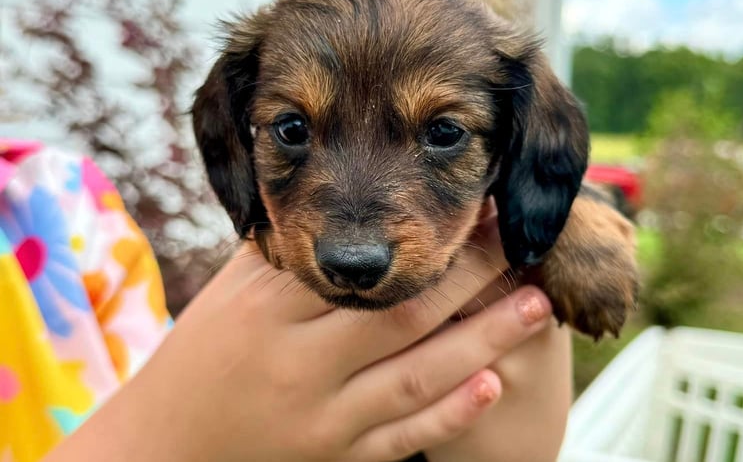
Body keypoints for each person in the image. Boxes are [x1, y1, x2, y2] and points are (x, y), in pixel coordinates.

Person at [1, 139, 572, 462]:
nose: (354, 243)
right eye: (293, 130)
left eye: (444, 133)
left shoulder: (63, 205)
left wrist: (564, 228)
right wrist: (162, 439)